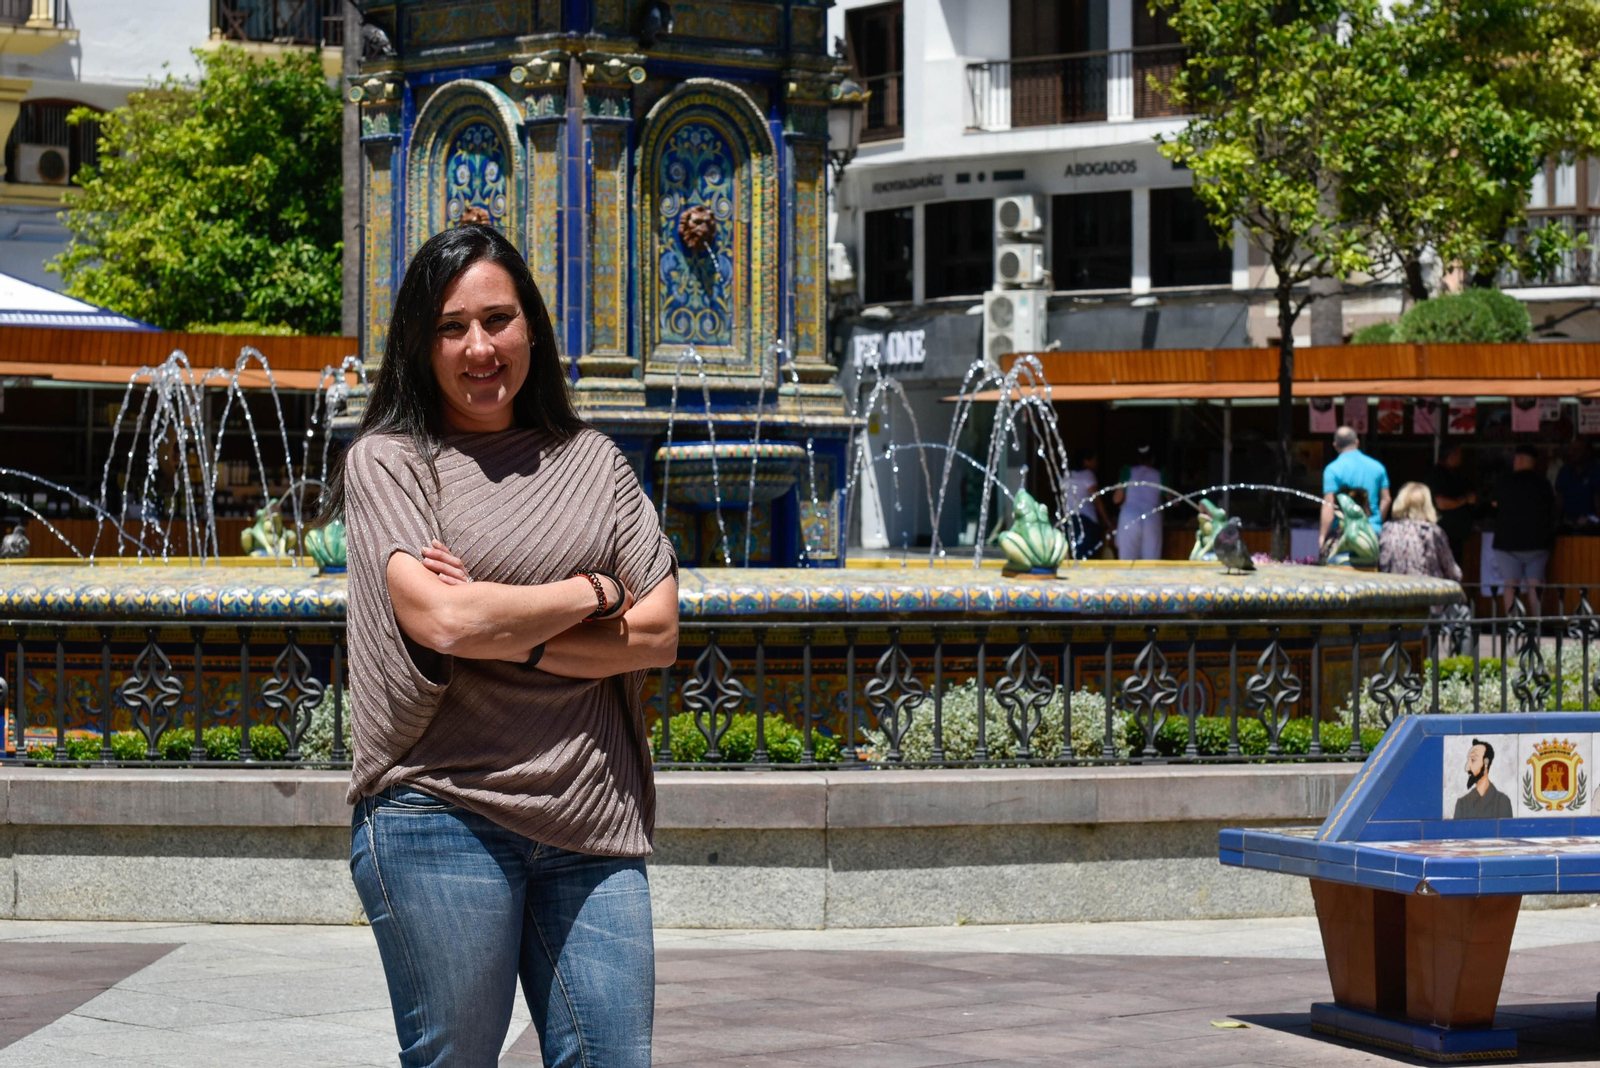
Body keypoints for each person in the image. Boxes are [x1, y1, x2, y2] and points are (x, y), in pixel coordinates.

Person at [327, 224, 679, 1068]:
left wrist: (507, 628)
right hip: (436, 811)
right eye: (451, 327)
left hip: (592, 819)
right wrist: (593, 595)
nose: (479, 347)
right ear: (419, 343)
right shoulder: (390, 461)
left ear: (533, 329)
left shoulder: (596, 462)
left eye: (498, 320)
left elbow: (661, 633)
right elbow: (441, 623)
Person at [1490, 444, 1555, 614]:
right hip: (1537, 544)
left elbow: (1494, 504)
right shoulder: (1543, 484)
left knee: (1511, 584)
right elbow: (1553, 507)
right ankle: (1537, 624)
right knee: (1535, 584)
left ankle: (1513, 624)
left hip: (1507, 543)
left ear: (1519, 460)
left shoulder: (1505, 482)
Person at [1319, 425, 1391, 546]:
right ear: (1357, 442)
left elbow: (1328, 505)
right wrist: (1376, 521)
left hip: (1345, 534)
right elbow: (1387, 499)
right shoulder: (1377, 467)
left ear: (1335, 445)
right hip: (1373, 532)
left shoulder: (1332, 469)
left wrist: (1322, 536)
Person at [1379, 482, 1462, 582]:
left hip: (1392, 591)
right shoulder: (1432, 532)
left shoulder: (1386, 529)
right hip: (1426, 593)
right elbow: (1453, 573)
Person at [1427, 444, 1477, 566]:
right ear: (1451, 456)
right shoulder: (1438, 474)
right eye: (1459, 455)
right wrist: (1465, 500)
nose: (1461, 458)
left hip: (1454, 536)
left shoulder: (1453, 473)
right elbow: (1442, 503)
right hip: (1443, 535)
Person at [1113, 444, 1165, 560]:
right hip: (1152, 517)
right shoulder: (1160, 474)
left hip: (1129, 516)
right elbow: (1173, 500)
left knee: (1127, 562)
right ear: (1153, 459)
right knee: (1151, 561)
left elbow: (1117, 499)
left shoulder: (1128, 471)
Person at [1064, 450, 1112, 559]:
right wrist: (1108, 521)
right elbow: (1097, 500)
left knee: (1073, 557)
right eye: (1094, 460)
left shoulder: (1067, 476)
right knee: (1086, 558)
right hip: (1085, 522)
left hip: (1069, 521)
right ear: (1086, 461)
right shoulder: (1088, 475)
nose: (1097, 463)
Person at [1452, 739, 1512, 820]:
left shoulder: (1502, 802)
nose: (1467, 767)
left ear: (1486, 762)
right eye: (1468, 760)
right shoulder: (1462, 804)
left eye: (1473, 760)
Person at [1554, 439, 1600, 529]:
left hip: (1592, 523)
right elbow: (1559, 500)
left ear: (1587, 452)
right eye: (1571, 450)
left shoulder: (1595, 471)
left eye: (1578, 450)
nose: (1573, 453)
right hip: (1569, 524)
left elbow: (1598, 501)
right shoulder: (1565, 471)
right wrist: (1556, 523)